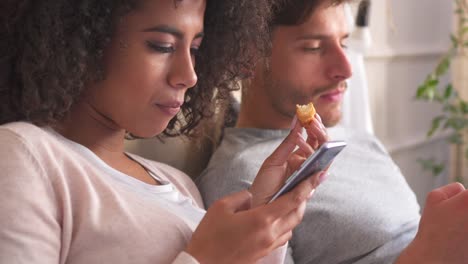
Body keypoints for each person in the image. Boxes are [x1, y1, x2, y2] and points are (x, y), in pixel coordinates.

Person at [0, 1, 328, 263]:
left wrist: (264, 213)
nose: (189, 75)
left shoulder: (179, 185)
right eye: (163, 46)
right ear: (82, 41)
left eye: (196, 49)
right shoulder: (24, 156)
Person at [196, 0, 468, 263]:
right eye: (314, 48)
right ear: (248, 58)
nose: (346, 69)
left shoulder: (356, 138)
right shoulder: (242, 182)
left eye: (344, 43)